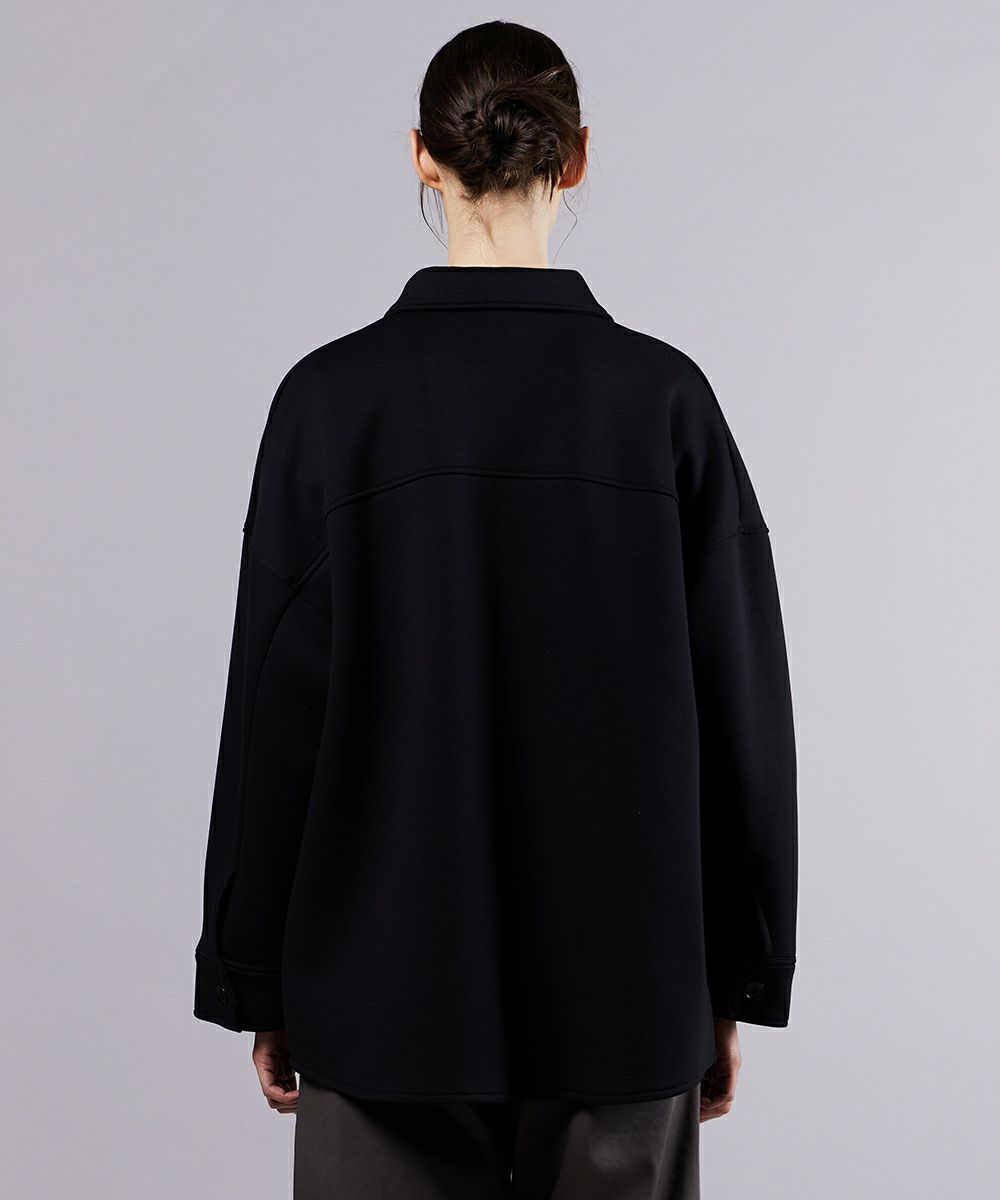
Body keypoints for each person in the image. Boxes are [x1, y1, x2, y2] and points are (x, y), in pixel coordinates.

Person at [192, 19, 798, 1200]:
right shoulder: (664, 403)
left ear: (422, 156)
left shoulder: (329, 404)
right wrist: (736, 979)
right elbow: (744, 718)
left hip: (379, 999)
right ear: (577, 157)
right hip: (631, 996)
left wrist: (255, 974)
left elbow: (272, 716)